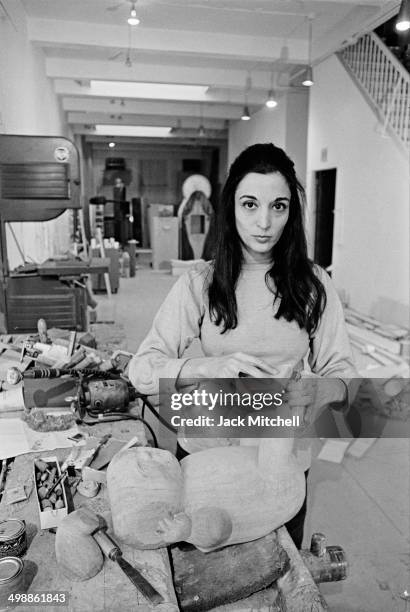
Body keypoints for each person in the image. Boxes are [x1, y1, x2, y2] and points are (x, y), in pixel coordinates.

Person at [128, 142, 358, 548]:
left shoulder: (315, 285)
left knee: (277, 572)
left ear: (292, 211)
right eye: (250, 205)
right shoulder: (200, 283)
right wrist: (206, 368)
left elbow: (344, 376)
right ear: (231, 207)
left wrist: (322, 389)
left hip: (280, 466)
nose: (265, 222)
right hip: (207, 455)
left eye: (279, 206)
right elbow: (142, 369)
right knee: (200, 568)